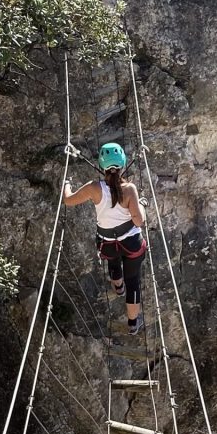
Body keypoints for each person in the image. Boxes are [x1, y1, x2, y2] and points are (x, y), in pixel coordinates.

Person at [63, 143, 147, 334]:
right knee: (133, 280)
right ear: (123, 164)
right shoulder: (130, 189)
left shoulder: (94, 188)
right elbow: (139, 220)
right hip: (132, 243)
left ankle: (118, 288)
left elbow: (68, 200)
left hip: (107, 243)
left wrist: (66, 183)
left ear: (102, 165)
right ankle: (133, 323)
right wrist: (142, 204)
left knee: (113, 261)